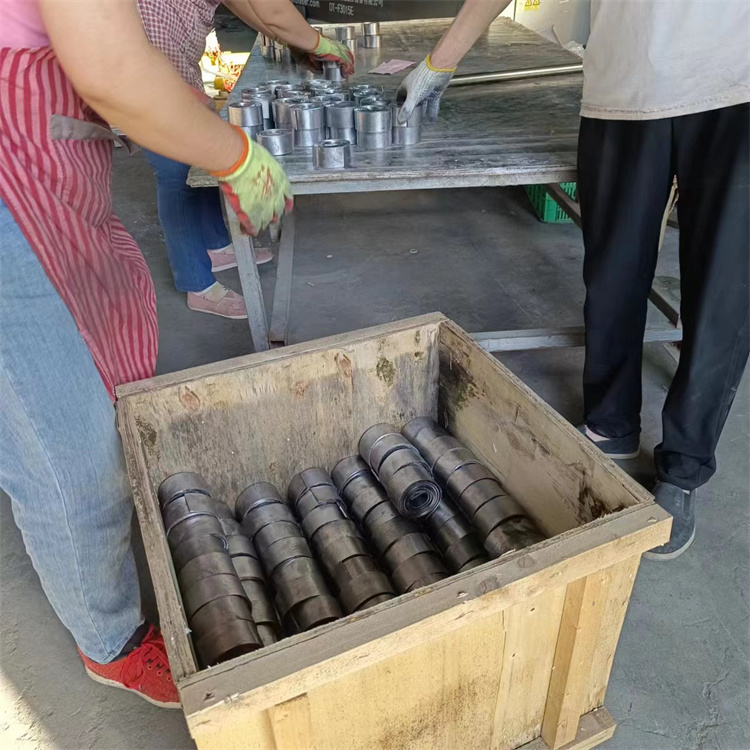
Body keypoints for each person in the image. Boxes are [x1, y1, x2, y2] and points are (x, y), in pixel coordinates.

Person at [0, 0, 292, 707]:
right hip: (11, 184)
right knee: (67, 452)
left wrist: (191, 113)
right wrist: (236, 155)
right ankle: (111, 643)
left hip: (45, 169)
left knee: (53, 395)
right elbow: (109, 67)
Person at [398, 0, 749, 560]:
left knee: (722, 293)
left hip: (736, 86)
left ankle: (684, 467)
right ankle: (611, 426)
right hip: (624, 87)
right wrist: (442, 60)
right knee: (612, 275)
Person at [138, 0, 355, 319]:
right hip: (142, 65)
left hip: (172, 58)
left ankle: (217, 246)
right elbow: (272, 10)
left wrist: (292, 40)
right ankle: (197, 284)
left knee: (199, 152)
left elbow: (247, 6)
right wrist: (317, 43)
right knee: (175, 171)